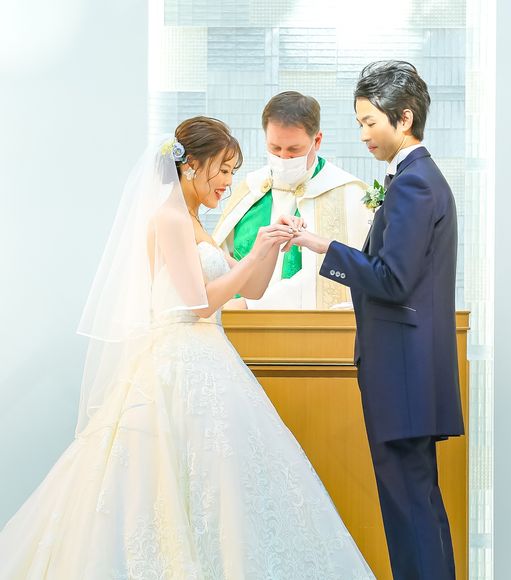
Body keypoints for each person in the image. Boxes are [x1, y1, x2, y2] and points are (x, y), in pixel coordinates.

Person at [0, 116, 375, 579]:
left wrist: (269, 246)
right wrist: (255, 252)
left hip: (208, 357)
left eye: (233, 172)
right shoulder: (170, 218)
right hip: (176, 361)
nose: (229, 182)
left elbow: (252, 290)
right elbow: (198, 304)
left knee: (220, 484)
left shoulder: (196, 223)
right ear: (192, 166)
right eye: (224, 170)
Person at [284, 61, 465, 580]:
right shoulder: (416, 179)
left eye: (369, 122)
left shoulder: (413, 184)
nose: (363, 134)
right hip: (409, 372)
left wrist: (323, 246)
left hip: (402, 374)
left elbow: (392, 278)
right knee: (417, 505)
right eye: (360, 122)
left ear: (403, 118)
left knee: (409, 509)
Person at [213, 91, 372, 310]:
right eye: (275, 148)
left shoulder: (348, 194)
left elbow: (336, 280)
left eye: (294, 150)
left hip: (306, 327)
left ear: (317, 141)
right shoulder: (251, 189)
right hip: (237, 322)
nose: (283, 158)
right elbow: (218, 259)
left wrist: (251, 305)